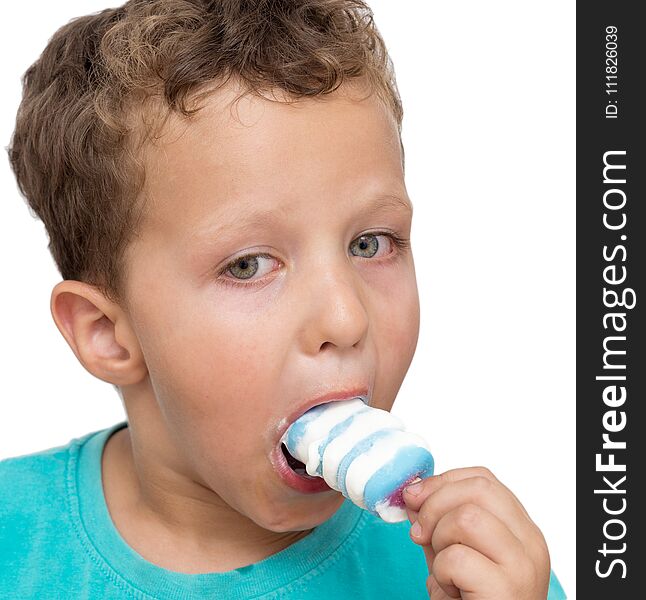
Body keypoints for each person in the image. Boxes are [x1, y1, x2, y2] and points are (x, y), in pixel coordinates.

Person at [1, 1, 567, 598]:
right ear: (106, 332)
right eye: (248, 265)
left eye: (370, 244)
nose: (346, 318)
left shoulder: (479, 575)